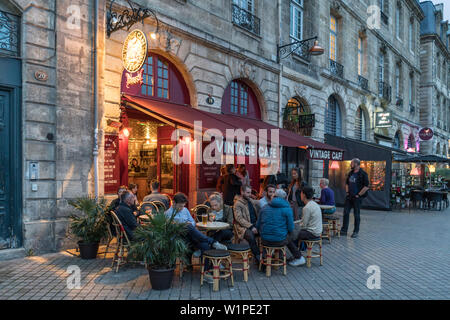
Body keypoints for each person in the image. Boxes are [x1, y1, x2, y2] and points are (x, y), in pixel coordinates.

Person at [289, 186, 323, 266]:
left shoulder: (307, 207)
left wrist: (293, 226)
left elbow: (303, 225)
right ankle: (296, 255)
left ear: (303, 195)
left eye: (301, 193)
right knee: (294, 233)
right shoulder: (314, 204)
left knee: (288, 237)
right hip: (317, 231)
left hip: (311, 232)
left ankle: (298, 257)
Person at [341, 158, 369, 238]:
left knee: (356, 214)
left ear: (356, 164)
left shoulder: (363, 174)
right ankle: (344, 230)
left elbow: (366, 186)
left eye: (352, 163)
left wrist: (359, 195)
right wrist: (347, 192)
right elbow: (347, 183)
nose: (350, 165)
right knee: (346, 212)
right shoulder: (350, 173)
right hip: (349, 197)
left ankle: (355, 231)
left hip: (357, 198)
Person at [233, 185, 261, 264]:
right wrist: (251, 227)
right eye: (248, 192)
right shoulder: (237, 204)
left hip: (255, 224)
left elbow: (260, 202)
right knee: (251, 236)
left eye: (250, 192)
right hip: (243, 227)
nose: (249, 194)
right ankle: (258, 258)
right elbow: (239, 219)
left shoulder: (251, 200)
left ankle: (266, 256)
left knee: (266, 232)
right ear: (242, 192)